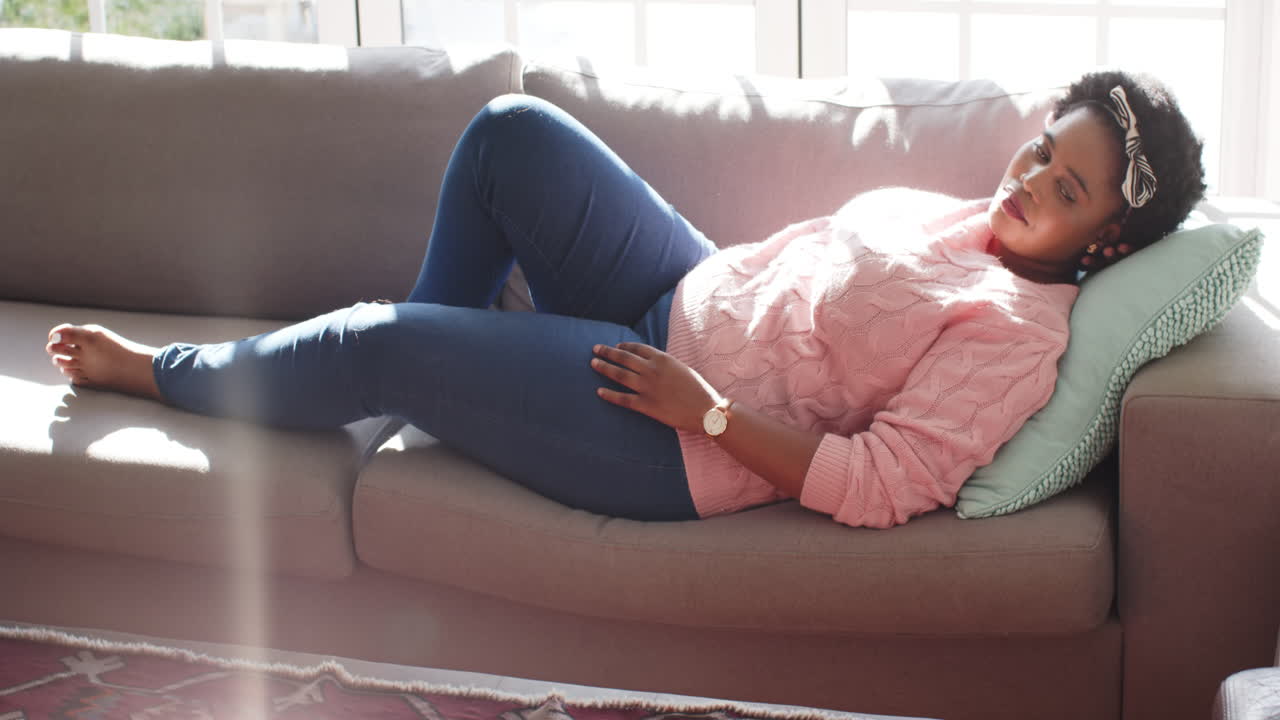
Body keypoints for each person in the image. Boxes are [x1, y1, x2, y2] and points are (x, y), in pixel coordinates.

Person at [43, 69, 1205, 528]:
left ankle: (170, 374)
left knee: (383, 340)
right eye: (1036, 153)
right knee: (512, 132)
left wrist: (704, 414)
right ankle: (405, 386)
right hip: (677, 288)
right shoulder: (980, 226)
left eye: (1062, 191)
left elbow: (883, 482)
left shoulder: (1013, 339)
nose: (1022, 186)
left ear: (1103, 244)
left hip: (670, 430)